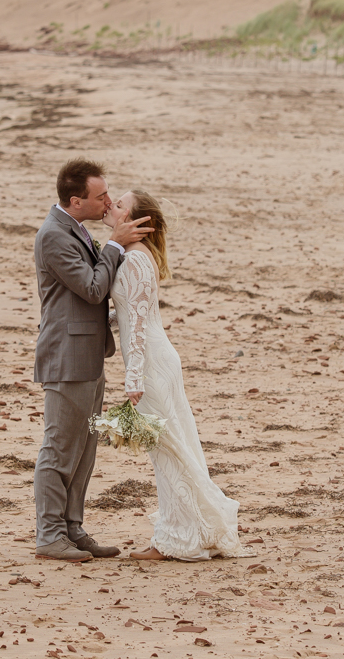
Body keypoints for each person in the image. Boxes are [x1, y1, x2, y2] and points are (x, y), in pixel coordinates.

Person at [103, 189, 250, 561]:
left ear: (137, 223)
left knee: (167, 449)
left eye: (120, 205)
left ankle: (174, 540)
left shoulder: (134, 259)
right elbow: (131, 312)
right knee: (171, 445)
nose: (111, 206)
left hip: (151, 362)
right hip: (157, 355)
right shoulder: (139, 255)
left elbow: (136, 323)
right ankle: (187, 532)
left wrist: (133, 378)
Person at [32, 158, 151, 562]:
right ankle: (49, 535)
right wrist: (116, 245)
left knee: (85, 449)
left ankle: (72, 528)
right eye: (100, 197)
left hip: (89, 354)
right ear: (75, 200)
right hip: (66, 358)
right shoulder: (53, 236)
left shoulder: (76, 228)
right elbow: (92, 289)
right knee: (60, 448)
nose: (106, 203)